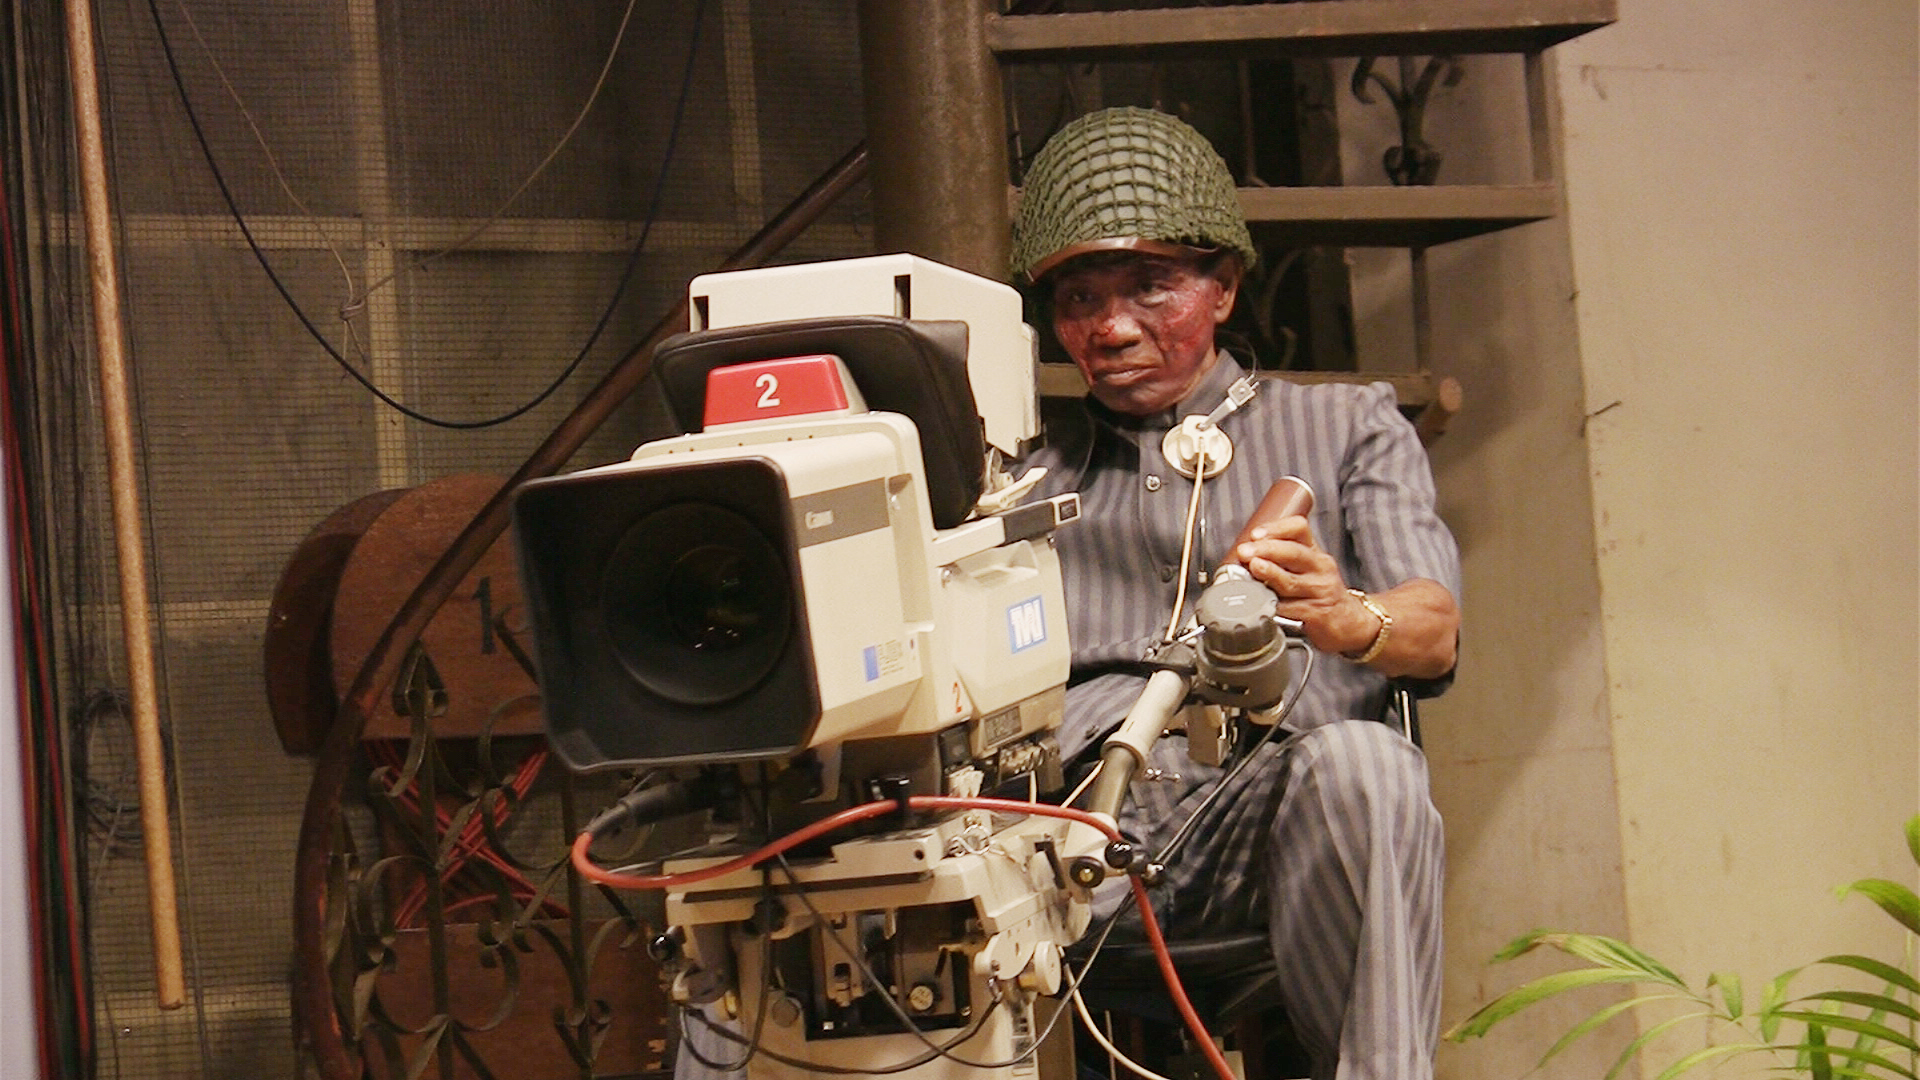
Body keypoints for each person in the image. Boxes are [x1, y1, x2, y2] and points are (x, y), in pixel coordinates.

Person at [1013, 107, 1463, 1080]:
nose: (1112, 327)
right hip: (1076, 836)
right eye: (1080, 298)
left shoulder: (1347, 426)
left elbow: (1432, 632)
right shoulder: (1024, 476)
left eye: (1151, 287)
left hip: (1272, 824)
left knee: (1368, 766)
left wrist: (1352, 619)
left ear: (1223, 287)